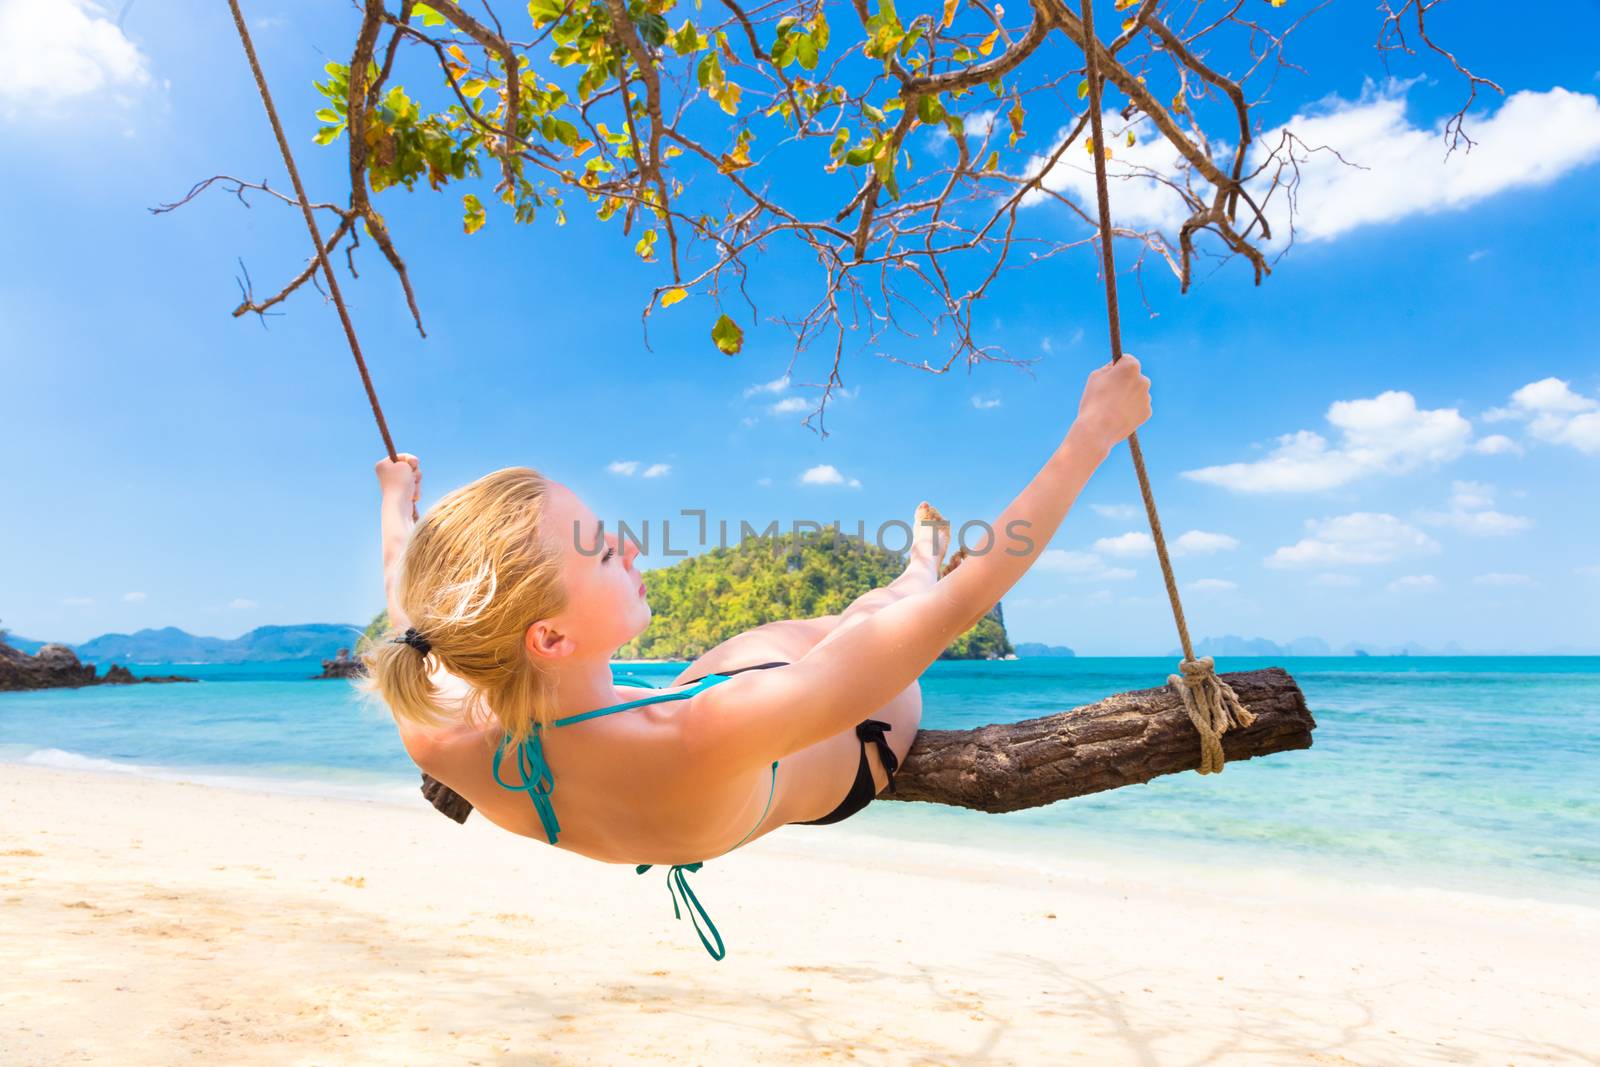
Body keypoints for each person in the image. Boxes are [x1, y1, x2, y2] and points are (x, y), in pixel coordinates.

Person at [359, 355, 1151, 955]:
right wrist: (1093, 434)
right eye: (602, 551)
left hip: (716, 709)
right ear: (551, 638)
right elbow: (963, 608)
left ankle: (906, 572)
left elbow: (409, 603)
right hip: (847, 743)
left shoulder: (434, 720)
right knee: (879, 612)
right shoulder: (701, 731)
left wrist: (396, 501)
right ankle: (915, 563)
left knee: (790, 638)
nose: (632, 545)